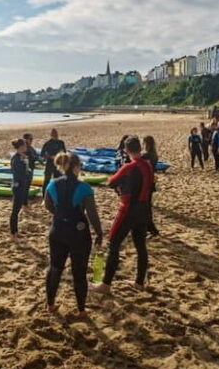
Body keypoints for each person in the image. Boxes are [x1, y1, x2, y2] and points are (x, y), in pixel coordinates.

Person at [90, 136, 154, 294]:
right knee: (141, 246)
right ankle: (139, 282)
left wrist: (121, 188)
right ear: (140, 147)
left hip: (128, 210)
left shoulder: (129, 166)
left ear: (126, 150)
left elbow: (111, 181)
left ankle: (105, 285)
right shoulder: (148, 165)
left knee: (113, 244)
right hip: (144, 210)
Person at [44, 152, 103, 315]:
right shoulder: (84, 188)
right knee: (79, 272)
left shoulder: (52, 185)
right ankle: (82, 310)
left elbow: (47, 205)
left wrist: (61, 215)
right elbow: (92, 215)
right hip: (78, 234)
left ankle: (50, 304)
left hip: (57, 231)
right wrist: (99, 233)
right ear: (76, 167)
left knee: (55, 268)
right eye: (80, 166)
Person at [10, 138, 32, 240]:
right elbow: (19, 174)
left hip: (22, 185)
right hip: (18, 186)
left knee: (17, 210)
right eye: (25, 145)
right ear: (21, 146)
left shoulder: (21, 157)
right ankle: (13, 233)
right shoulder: (17, 159)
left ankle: (15, 232)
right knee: (15, 210)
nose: (26, 147)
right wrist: (26, 171)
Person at [141, 135, 160, 237]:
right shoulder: (154, 154)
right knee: (147, 205)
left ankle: (151, 228)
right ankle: (149, 227)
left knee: (146, 206)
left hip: (145, 183)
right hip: (151, 181)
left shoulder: (146, 156)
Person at [40, 128, 66, 195]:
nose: (55, 135)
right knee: (47, 181)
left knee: (58, 180)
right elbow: (42, 154)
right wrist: (50, 157)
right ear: (51, 135)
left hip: (58, 165)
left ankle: (58, 195)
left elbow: (65, 152)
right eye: (54, 134)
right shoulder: (47, 143)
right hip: (49, 164)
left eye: (56, 134)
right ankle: (44, 196)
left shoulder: (61, 143)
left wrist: (62, 158)